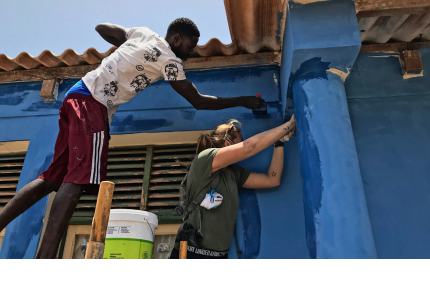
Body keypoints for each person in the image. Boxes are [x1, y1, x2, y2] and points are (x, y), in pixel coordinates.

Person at [0, 18, 265, 259]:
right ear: (176, 39)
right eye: (191, 44)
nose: (192, 50)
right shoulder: (170, 62)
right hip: (94, 105)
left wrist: (127, 48)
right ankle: (44, 260)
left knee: (52, 178)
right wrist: (244, 101)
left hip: (76, 94)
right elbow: (198, 101)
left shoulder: (143, 33)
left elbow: (102, 28)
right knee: (78, 180)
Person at [169, 115, 296, 259]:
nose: (242, 144)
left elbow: (272, 180)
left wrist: (279, 142)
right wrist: (289, 125)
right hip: (191, 254)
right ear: (228, 144)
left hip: (219, 256)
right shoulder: (204, 160)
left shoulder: (234, 173)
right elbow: (249, 147)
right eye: (239, 141)